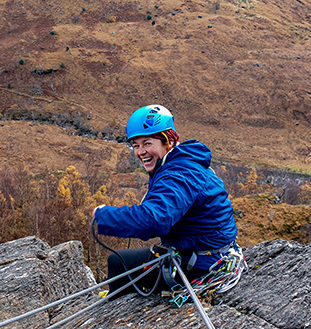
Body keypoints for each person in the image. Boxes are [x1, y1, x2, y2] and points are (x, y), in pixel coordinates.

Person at [92, 104, 238, 296]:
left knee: (118, 262)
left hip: (201, 266)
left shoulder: (179, 174)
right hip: (211, 255)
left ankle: (119, 311)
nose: (140, 152)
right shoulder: (180, 163)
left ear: (168, 142)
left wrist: (103, 215)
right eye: (136, 145)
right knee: (129, 261)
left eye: (147, 143)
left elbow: (154, 220)